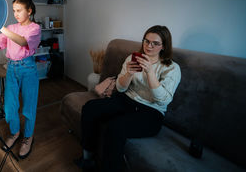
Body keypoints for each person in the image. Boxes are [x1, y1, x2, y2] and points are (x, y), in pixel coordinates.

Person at [76, 25, 181, 171]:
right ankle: (88, 157)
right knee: (90, 107)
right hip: (126, 100)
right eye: (146, 41)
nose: (149, 46)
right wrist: (129, 74)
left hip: (151, 112)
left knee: (115, 127)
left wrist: (150, 73)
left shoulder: (172, 68)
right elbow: (120, 88)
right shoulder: (132, 58)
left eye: (155, 43)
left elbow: (162, 100)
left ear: (163, 46)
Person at [0, 0, 41, 159]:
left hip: (28, 69)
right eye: (14, 11)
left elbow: (21, 41)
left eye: (19, 11)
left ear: (29, 11)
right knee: (10, 107)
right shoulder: (11, 27)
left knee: (29, 107)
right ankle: (15, 132)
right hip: (11, 68)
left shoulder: (35, 28)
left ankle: (28, 137)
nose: (16, 14)